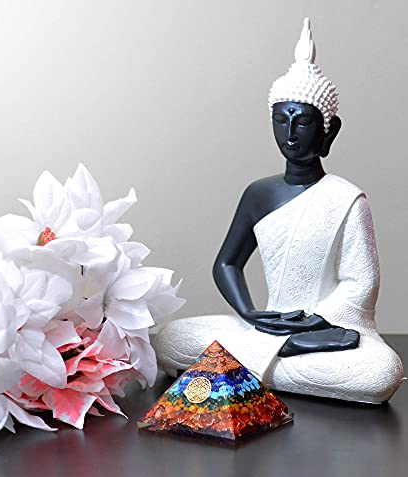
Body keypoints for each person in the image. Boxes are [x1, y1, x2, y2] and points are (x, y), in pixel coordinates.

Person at [152, 19, 404, 404]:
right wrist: (250, 314)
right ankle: (274, 363)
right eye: (281, 120)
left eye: (302, 122)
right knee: (170, 339)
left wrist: (312, 323)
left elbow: (361, 284)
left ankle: (239, 367)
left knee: (380, 372)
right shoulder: (259, 194)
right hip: (268, 326)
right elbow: (227, 263)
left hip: (324, 331)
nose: (290, 133)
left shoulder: (348, 199)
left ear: (329, 130)